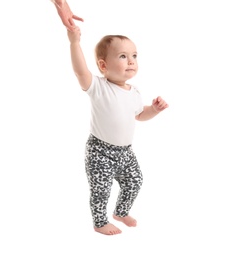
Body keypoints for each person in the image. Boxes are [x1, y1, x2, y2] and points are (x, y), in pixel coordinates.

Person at [60, 3, 169, 235]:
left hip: (126, 152)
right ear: (103, 65)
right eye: (123, 56)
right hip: (100, 152)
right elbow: (80, 72)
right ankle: (100, 222)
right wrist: (74, 42)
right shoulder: (99, 87)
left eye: (134, 56)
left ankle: (120, 211)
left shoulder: (134, 92)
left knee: (135, 180)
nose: (131, 61)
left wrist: (155, 110)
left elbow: (140, 115)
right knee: (101, 189)